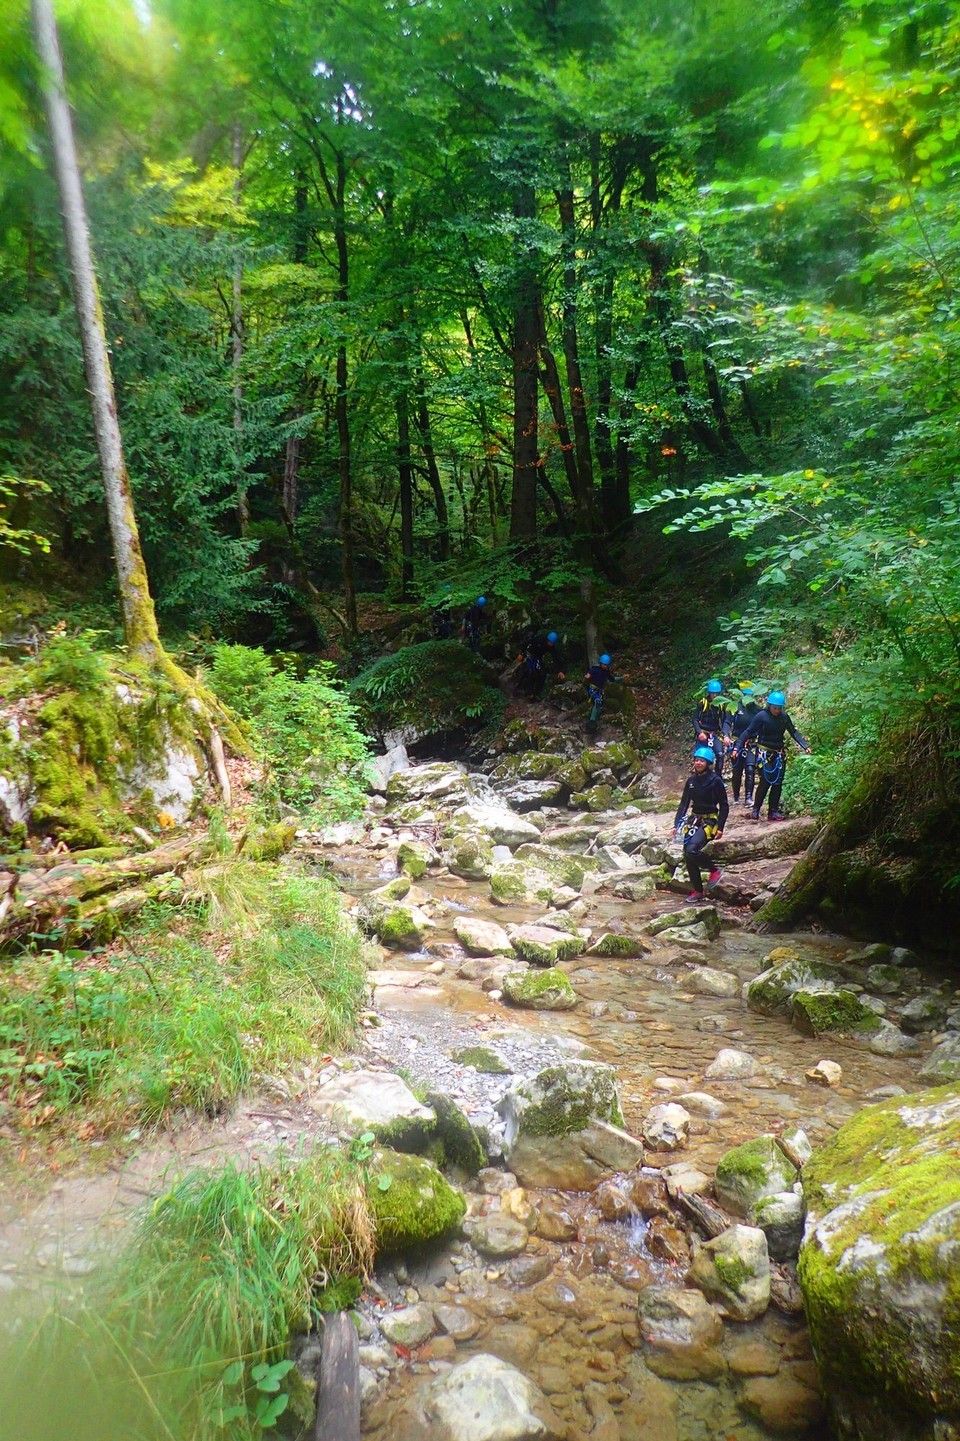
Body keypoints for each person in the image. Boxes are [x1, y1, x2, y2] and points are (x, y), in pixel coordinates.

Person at [731, 689, 811, 821]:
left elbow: (793, 732)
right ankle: (756, 809)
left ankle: (773, 811)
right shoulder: (762, 716)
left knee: (778, 782)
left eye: (779, 708)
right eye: (775, 708)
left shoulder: (784, 717)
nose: (777, 711)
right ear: (769, 706)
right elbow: (748, 732)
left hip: (779, 753)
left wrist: (805, 745)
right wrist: (737, 747)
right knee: (765, 780)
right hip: (764, 753)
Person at [673, 745, 729, 903]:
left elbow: (724, 805)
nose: (698, 763)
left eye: (701, 761)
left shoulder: (715, 781)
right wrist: (675, 825)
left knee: (692, 850)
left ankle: (714, 870)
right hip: (694, 820)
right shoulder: (691, 781)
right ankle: (698, 891)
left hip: (709, 821)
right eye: (696, 760)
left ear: (708, 763)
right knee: (688, 855)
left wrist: (721, 827)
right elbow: (684, 804)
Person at [729, 685, 761, 806]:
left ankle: (748, 796)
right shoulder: (735, 707)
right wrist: (726, 735)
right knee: (737, 770)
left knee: (750, 768)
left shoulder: (758, 710)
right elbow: (727, 722)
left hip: (752, 743)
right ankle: (736, 796)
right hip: (737, 742)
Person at [693, 679, 731, 777]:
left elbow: (726, 721)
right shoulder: (703, 703)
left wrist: (726, 735)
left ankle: (717, 778)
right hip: (703, 733)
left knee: (720, 754)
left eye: (717, 694)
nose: (714, 696)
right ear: (709, 693)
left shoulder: (722, 705)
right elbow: (695, 719)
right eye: (713, 694)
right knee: (701, 756)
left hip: (715, 734)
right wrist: (699, 732)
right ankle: (700, 777)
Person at [517, 631, 566, 700]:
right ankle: (523, 688)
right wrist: (521, 653)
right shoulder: (539, 639)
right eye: (549, 642)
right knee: (530, 671)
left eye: (552, 643)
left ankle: (536, 693)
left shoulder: (551, 647)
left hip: (537, 657)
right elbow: (527, 643)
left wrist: (560, 671)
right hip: (529, 654)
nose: (550, 644)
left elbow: (556, 658)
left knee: (542, 673)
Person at [584, 653, 617, 732]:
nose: (605, 666)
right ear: (600, 663)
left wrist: (622, 678)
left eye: (606, 665)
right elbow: (590, 673)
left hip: (599, 690)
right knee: (597, 701)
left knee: (600, 705)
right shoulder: (596, 669)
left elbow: (612, 679)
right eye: (603, 664)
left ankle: (595, 720)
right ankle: (591, 722)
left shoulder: (606, 671)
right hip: (593, 689)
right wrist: (588, 675)